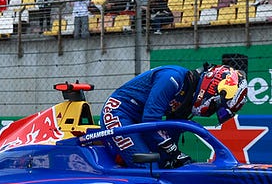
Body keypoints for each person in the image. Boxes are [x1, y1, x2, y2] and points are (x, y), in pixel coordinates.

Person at [99, 65, 248, 166]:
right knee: (148, 167)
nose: (212, 111)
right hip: (118, 113)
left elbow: (170, 134)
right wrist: (175, 153)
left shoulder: (189, 96)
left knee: (167, 166)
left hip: (140, 121)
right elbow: (151, 119)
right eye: (216, 106)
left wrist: (173, 157)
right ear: (213, 88)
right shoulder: (172, 78)